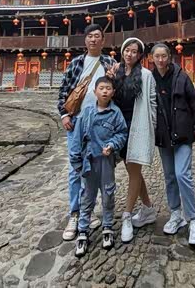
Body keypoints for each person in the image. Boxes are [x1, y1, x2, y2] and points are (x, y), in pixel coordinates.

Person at [57, 23, 117, 240]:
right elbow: (64, 90)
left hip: (101, 124)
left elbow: (116, 92)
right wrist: (64, 114)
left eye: (97, 36)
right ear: (85, 40)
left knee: (97, 168)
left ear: (103, 40)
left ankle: (88, 210)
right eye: (90, 36)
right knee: (76, 169)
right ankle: (75, 213)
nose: (93, 39)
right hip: (77, 121)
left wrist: (114, 78)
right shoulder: (77, 63)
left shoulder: (110, 63)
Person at [151, 43, 195, 245]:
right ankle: (176, 213)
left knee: (182, 174)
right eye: (157, 56)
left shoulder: (181, 77)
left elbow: (194, 102)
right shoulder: (150, 79)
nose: (160, 60)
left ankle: (193, 219)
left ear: (169, 57)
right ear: (152, 58)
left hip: (183, 133)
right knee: (169, 176)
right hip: (163, 136)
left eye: (164, 56)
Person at [69, 76, 128, 257]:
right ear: (94, 91)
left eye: (108, 88)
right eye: (101, 88)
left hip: (106, 162)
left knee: (108, 194)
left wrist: (113, 145)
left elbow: (122, 133)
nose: (104, 91)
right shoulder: (86, 112)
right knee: (87, 197)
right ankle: (83, 230)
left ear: (113, 92)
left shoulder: (116, 113)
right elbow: (77, 138)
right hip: (89, 161)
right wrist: (76, 161)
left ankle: (107, 226)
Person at [110, 38, 158, 243]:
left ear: (139, 55)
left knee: (134, 171)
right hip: (119, 128)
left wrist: (151, 128)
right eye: (127, 50)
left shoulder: (146, 75)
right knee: (133, 172)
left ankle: (127, 215)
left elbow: (153, 102)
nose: (130, 54)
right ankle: (148, 208)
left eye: (134, 51)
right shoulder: (116, 72)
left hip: (137, 127)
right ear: (123, 52)